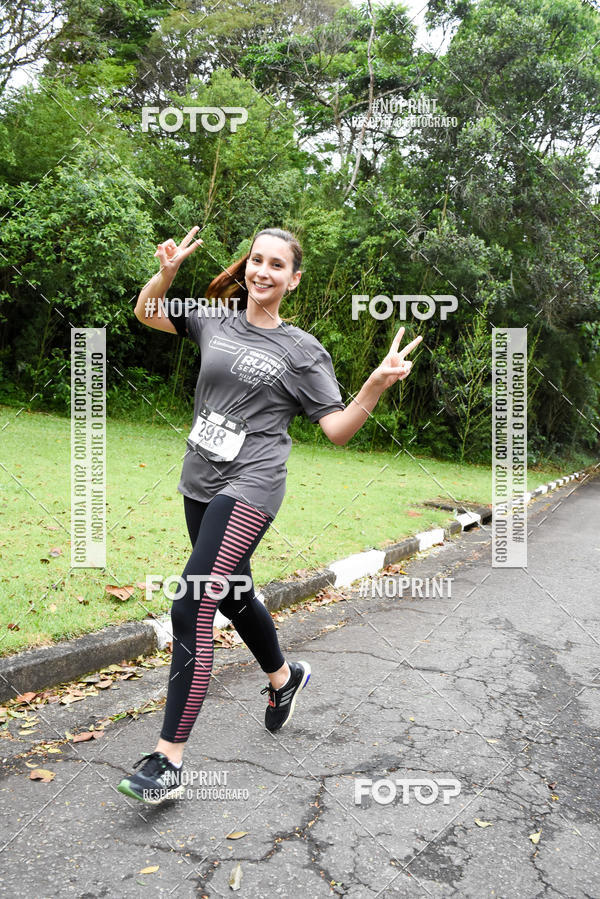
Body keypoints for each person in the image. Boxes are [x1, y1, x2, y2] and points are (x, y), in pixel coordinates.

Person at [117, 226, 422, 804]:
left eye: (276, 265)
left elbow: (337, 430)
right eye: (256, 260)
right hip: (200, 479)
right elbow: (146, 313)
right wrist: (166, 273)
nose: (262, 271)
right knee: (233, 594)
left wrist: (375, 385)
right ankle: (285, 678)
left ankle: (168, 761)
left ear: (293, 279)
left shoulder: (302, 350)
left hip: (253, 485)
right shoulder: (214, 318)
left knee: (192, 602)